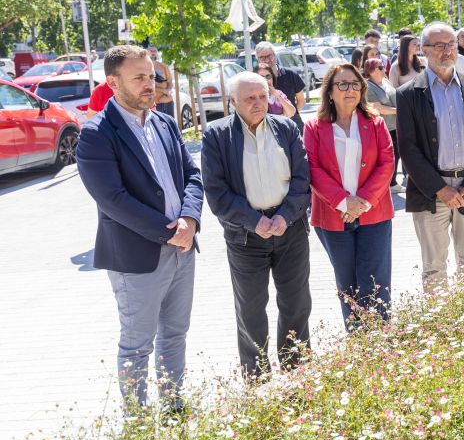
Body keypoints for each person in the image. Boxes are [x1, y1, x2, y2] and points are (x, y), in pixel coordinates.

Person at [76, 45, 203, 412]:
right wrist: (171, 231)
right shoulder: (97, 134)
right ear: (113, 82)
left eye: (151, 76)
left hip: (182, 248)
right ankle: (140, 430)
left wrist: (190, 221)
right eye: (140, 78)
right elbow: (112, 200)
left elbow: (193, 175)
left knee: (175, 334)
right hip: (137, 257)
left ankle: (175, 409)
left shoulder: (164, 122)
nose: (151, 84)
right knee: (137, 344)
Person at [201, 72, 312, 378]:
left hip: (289, 230)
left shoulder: (286, 128)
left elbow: (303, 179)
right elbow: (216, 191)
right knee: (250, 310)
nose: (258, 103)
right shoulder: (217, 135)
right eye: (250, 98)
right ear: (232, 101)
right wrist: (254, 221)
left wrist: (284, 216)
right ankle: (257, 379)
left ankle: (298, 373)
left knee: (297, 304)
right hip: (246, 237)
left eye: (263, 96)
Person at [396, 22, 464, 293]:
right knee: (434, 268)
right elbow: (408, 149)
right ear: (423, 51)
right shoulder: (407, 96)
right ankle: (440, 329)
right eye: (439, 45)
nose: (447, 50)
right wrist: (440, 189)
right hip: (430, 192)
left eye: (451, 44)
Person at [305, 64, 395, 327]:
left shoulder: (375, 122)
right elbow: (312, 168)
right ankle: (358, 344)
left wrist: (363, 201)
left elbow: (387, 163)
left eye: (355, 84)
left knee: (376, 282)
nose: (350, 90)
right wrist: (344, 202)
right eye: (342, 84)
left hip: (374, 214)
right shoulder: (314, 127)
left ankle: (381, 341)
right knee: (348, 285)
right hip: (333, 217)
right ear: (329, 92)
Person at [364, 57, 404, 194]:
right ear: (371, 71)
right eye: (380, 67)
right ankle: (388, 183)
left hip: (396, 125)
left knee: (397, 154)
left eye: (383, 66)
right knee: (388, 155)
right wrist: (401, 111)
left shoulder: (385, 81)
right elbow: (378, 108)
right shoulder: (368, 88)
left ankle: (392, 182)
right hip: (383, 127)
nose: (383, 69)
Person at [256, 42, 305, 130]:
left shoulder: (291, 74)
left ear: (275, 55)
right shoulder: (254, 80)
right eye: (262, 57)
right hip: (268, 128)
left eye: (269, 56)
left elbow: (301, 101)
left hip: (294, 123)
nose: (266, 60)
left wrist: (287, 114)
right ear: (258, 59)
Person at [148, 46, 175, 119]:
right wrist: (163, 90)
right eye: (151, 51)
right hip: (153, 103)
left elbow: (169, 81)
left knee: (170, 124)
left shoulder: (163, 66)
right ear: (147, 52)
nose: (153, 53)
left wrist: (169, 90)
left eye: (155, 51)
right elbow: (147, 84)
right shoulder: (144, 67)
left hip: (167, 101)